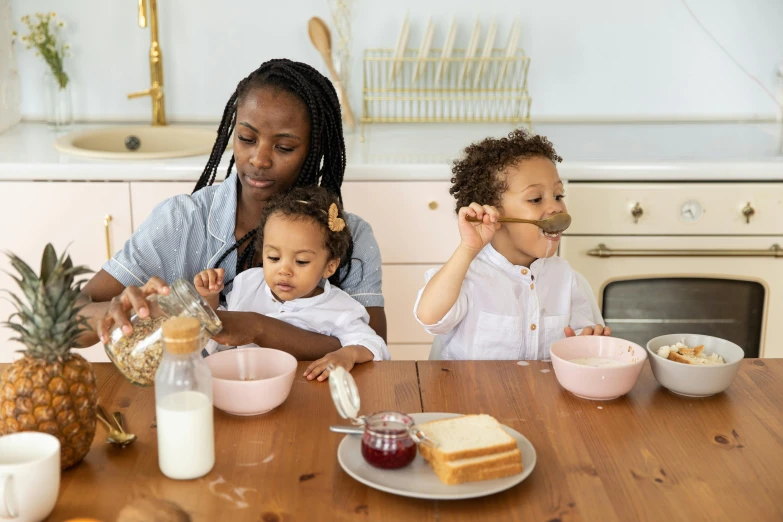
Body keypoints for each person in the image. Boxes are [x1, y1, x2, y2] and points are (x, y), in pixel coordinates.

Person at [76, 59, 385, 360]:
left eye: (284, 147)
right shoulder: (183, 221)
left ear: (314, 148)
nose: (259, 159)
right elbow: (71, 318)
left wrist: (259, 327)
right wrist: (114, 310)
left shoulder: (348, 234)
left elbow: (372, 349)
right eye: (246, 138)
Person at [413, 129, 610, 360]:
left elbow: (582, 344)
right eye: (536, 199)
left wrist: (586, 344)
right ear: (493, 213)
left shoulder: (569, 280)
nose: (556, 208)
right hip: (468, 394)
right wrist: (468, 249)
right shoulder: (468, 276)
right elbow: (429, 317)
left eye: (558, 196)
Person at [194, 187, 389, 380]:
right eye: (273, 257)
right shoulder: (248, 283)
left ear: (330, 266)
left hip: (307, 395)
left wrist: (347, 354)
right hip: (245, 388)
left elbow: (374, 344)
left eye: (301, 261)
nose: (284, 270)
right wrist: (209, 298)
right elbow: (220, 332)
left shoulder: (340, 309)